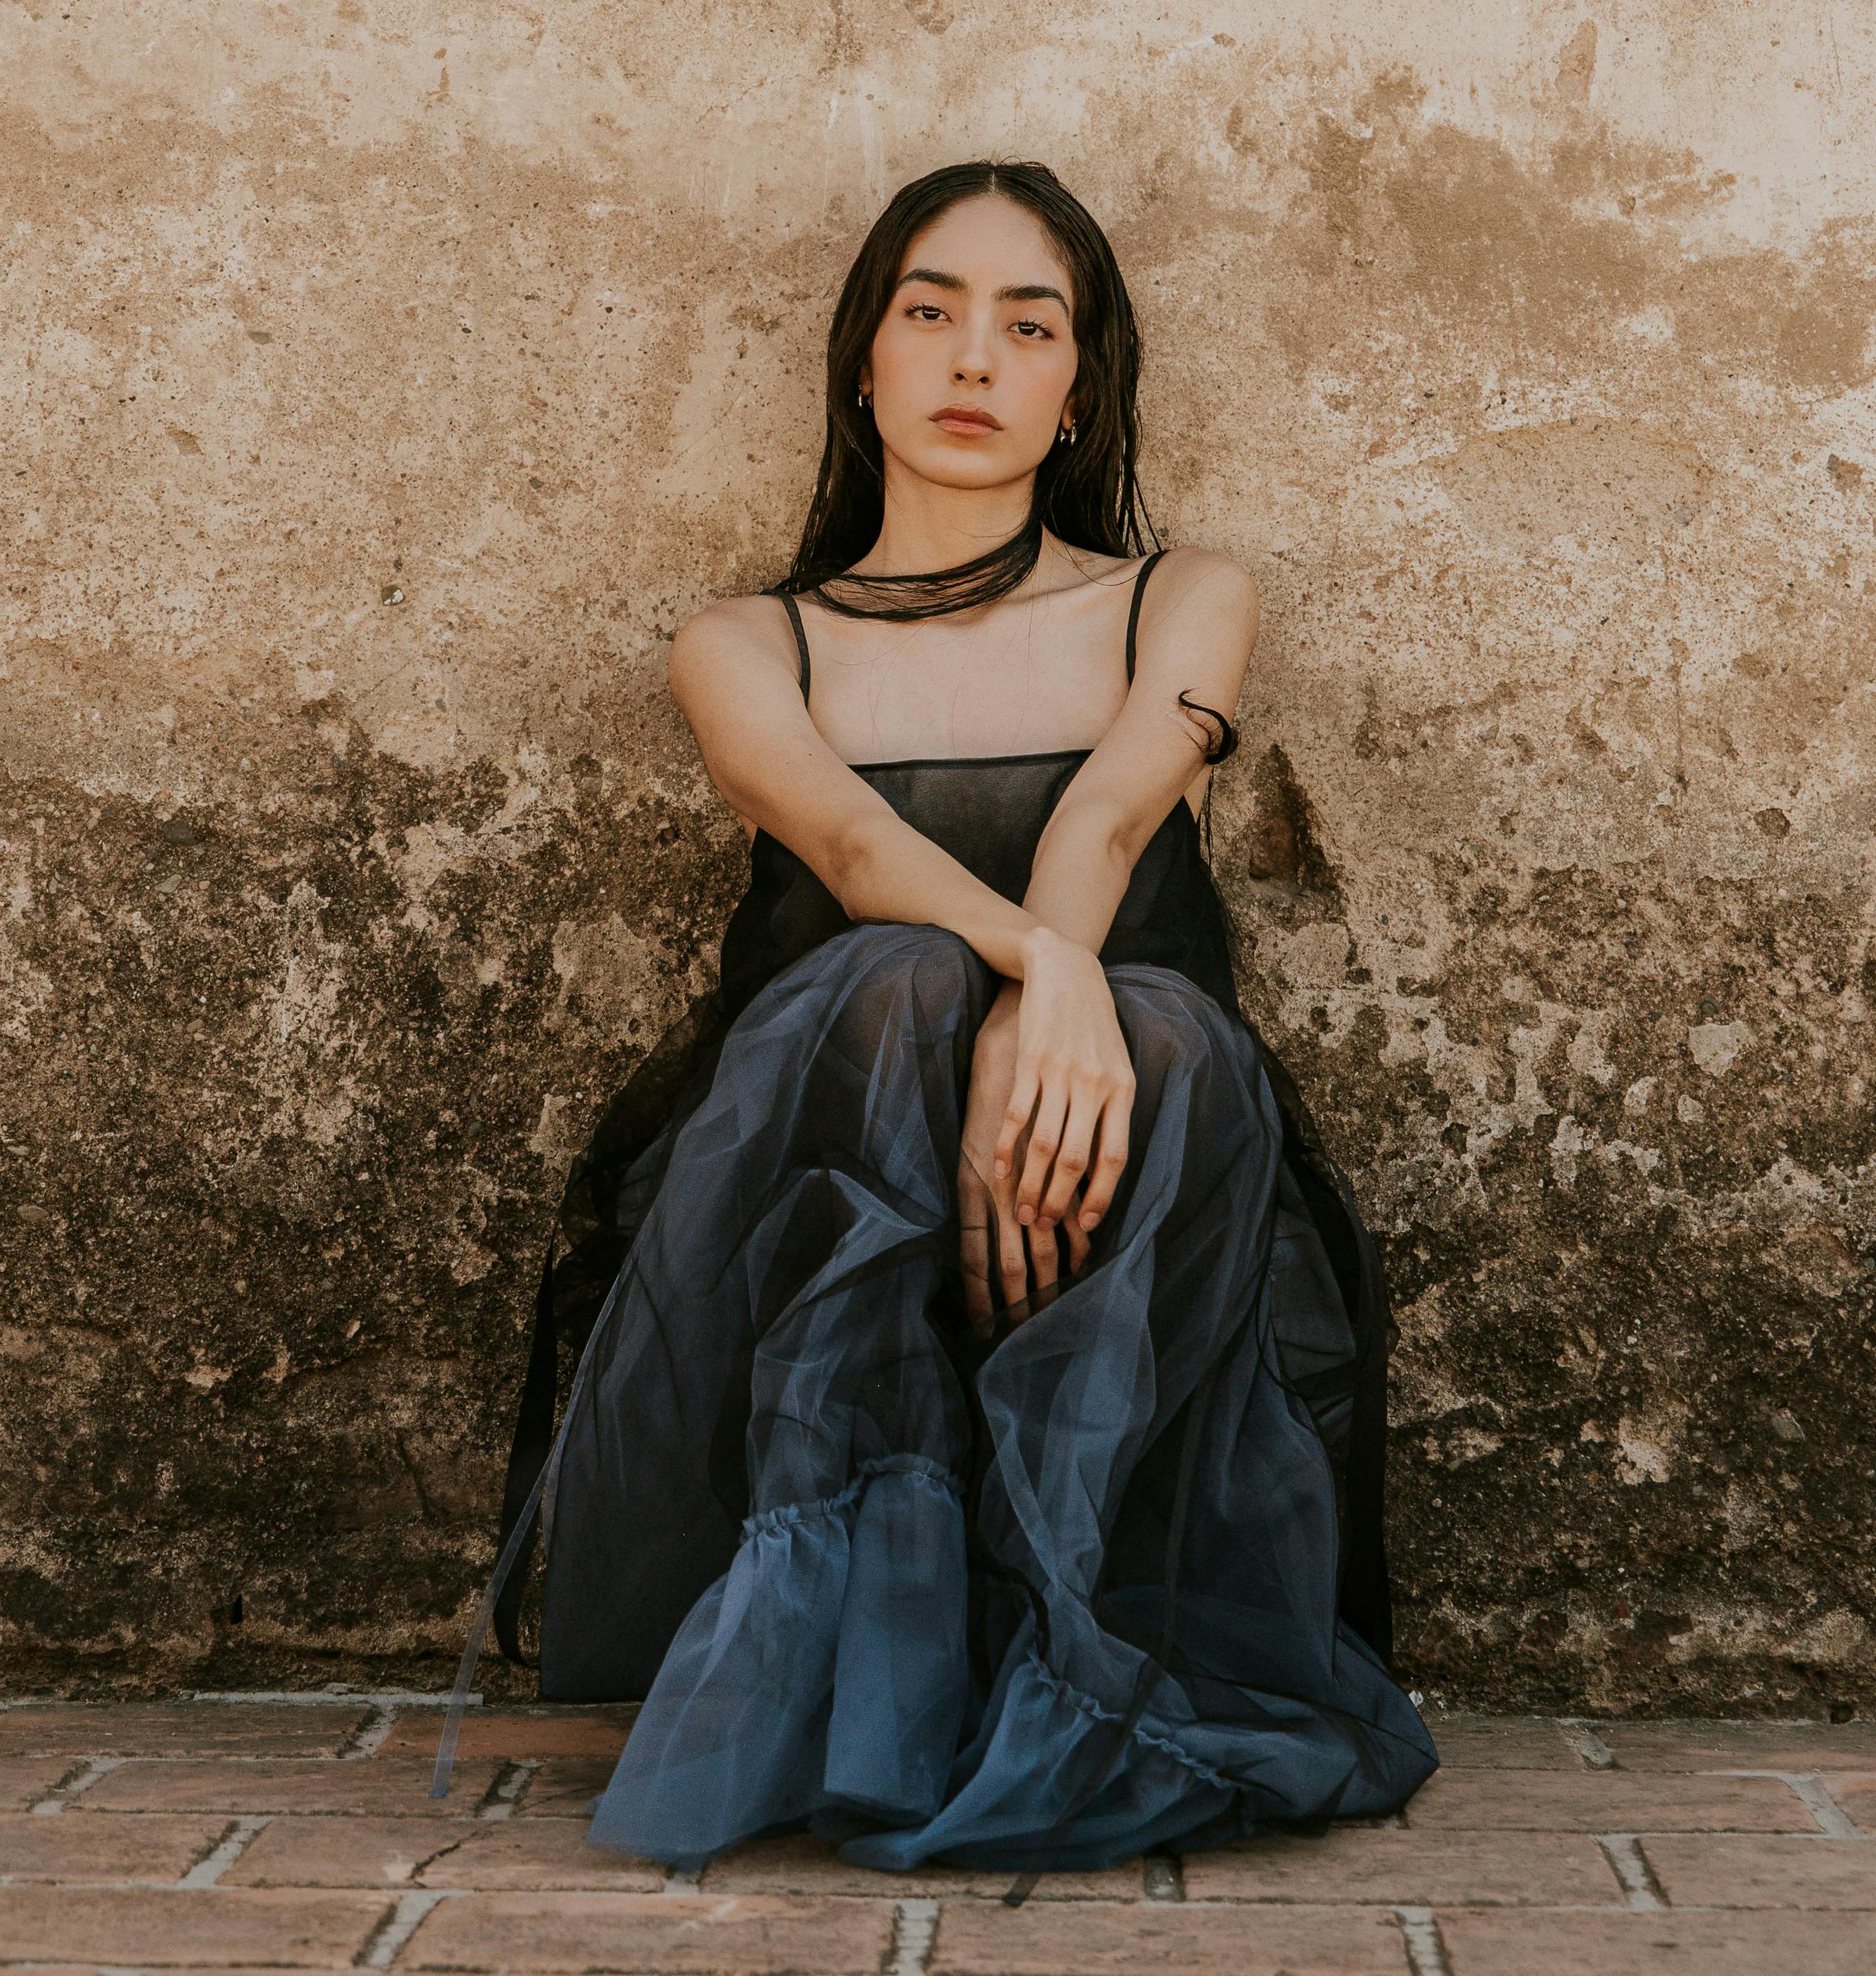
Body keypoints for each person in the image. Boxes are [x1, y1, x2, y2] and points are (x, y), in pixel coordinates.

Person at [441, 160, 1436, 1872]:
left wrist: (1065, 1014)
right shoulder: (747, 638)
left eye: (1026, 325)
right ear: (863, 363)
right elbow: (846, 842)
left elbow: (1113, 817)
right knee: (898, 979)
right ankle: (865, 1662)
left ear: (1078, 388)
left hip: (1127, 1161)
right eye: (930, 312)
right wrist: (1033, 977)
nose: (974, 358)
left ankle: (1081, 1652)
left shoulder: (1176, 598)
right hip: (824, 1166)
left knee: (1167, 1030)